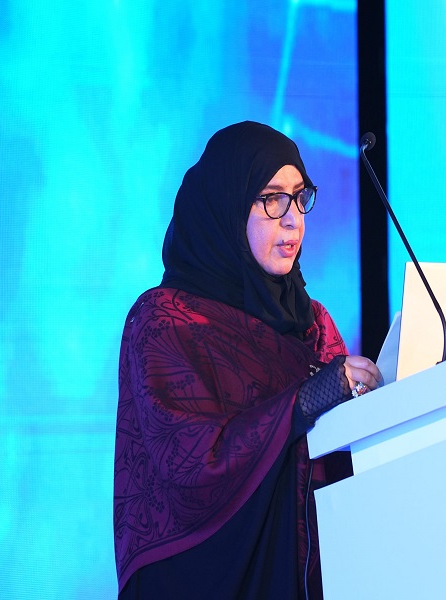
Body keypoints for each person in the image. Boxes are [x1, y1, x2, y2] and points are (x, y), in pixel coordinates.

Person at [113, 121, 383, 598]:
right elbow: (192, 462)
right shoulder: (165, 318)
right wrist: (305, 402)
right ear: (227, 206)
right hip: (203, 577)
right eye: (272, 199)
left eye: (300, 197)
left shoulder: (313, 321)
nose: (293, 219)